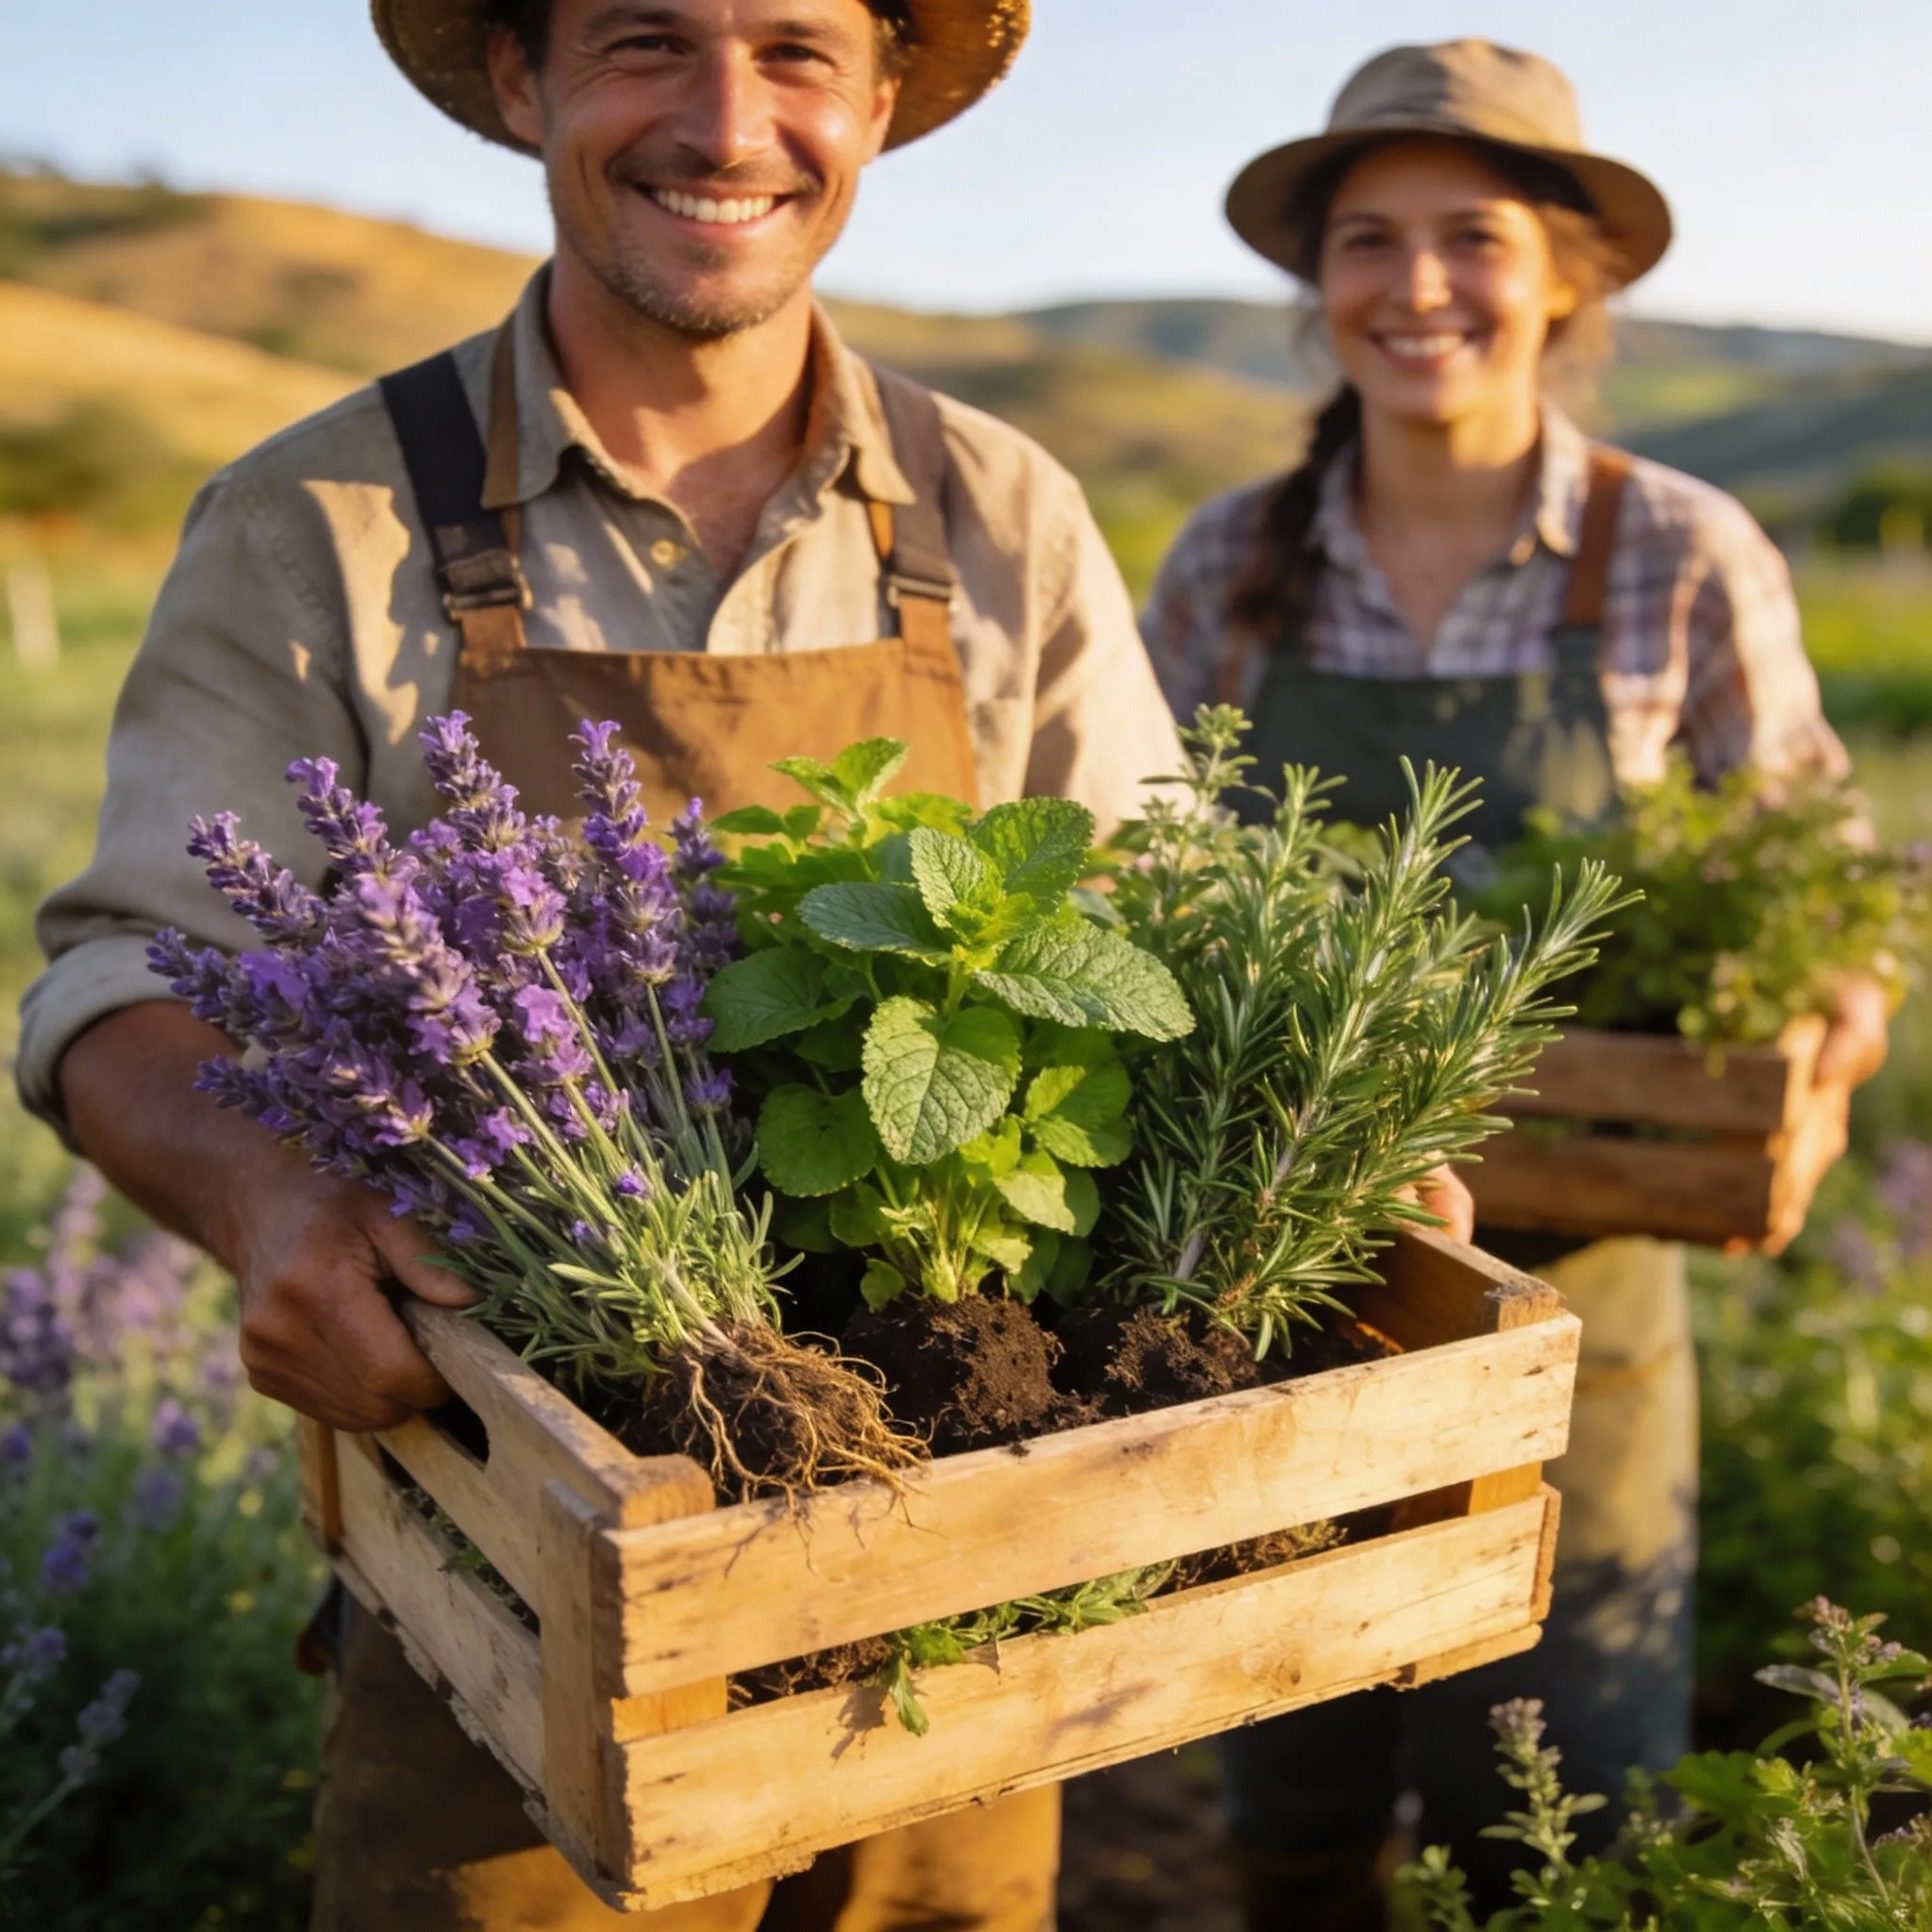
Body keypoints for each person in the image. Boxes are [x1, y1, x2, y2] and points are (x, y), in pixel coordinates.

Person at [16, 3, 1187, 1926]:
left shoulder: (1003, 515)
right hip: (516, 1558)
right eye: (649, 39)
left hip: (966, 1560)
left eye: (796, 49)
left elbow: (1160, 922)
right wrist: (272, 1197)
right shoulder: (319, 517)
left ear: (879, 98)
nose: (728, 123)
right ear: (519, 79)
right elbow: (129, 970)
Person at [1141, 39, 1890, 1928]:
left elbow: (1832, 900)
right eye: (1365, 242)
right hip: (1281, 1280)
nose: (1413, 291)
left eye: (1468, 238)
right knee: (1282, 1747)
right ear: (1316, 288)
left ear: (1568, 275)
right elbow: (1133, 879)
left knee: (1560, 1779)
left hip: (1586, 1276)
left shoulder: (1674, 555)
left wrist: (1813, 1064)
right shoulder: (1231, 566)